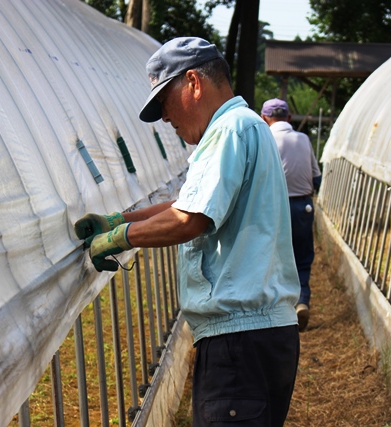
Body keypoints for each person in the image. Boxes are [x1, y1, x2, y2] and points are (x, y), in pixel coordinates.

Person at [74, 37, 300, 427]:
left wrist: (116, 241)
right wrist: (120, 221)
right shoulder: (245, 127)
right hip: (262, 334)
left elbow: (188, 219)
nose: (165, 118)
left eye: (165, 102)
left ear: (194, 83)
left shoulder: (229, 131)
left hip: (239, 341)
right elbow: (186, 203)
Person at [261, 99, 322, 332]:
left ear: (265, 118)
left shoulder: (266, 139)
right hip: (303, 207)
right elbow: (316, 177)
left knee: (274, 259)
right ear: (288, 118)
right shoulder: (304, 139)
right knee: (302, 259)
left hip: (274, 208)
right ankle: (302, 301)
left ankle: (278, 311)